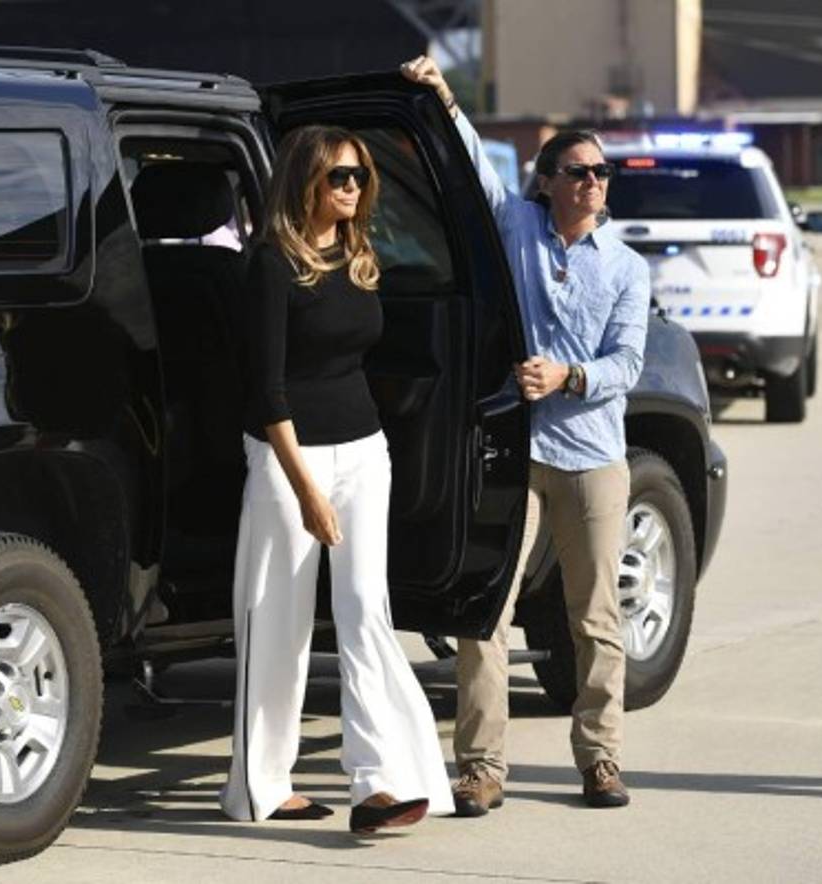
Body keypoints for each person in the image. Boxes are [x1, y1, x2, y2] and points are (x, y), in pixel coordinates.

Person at [401, 55, 650, 814]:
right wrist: (442, 94)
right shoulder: (516, 225)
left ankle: (601, 759)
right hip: (513, 452)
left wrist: (567, 378)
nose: (593, 184)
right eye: (577, 172)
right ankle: (481, 769)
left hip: (592, 457)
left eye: (602, 174)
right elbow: (472, 163)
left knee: (597, 620)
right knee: (484, 614)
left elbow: (627, 363)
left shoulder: (628, 267)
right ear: (546, 181)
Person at [219, 124, 455, 834]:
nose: (353, 188)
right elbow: (267, 392)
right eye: (339, 178)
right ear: (306, 182)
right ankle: (260, 787)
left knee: (365, 615)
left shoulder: (357, 253)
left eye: (358, 177)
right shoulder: (269, 265)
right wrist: (308, 493)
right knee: (277, 625)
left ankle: (378, 784)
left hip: (364, 453)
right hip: (289, 458)